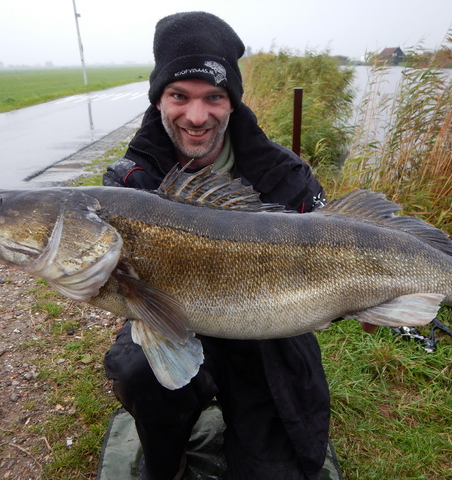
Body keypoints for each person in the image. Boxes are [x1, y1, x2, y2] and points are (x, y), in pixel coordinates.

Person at [103, 11, 334, 480]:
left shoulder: (287, 176)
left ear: (232, 102)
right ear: (159, 99)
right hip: (174, 324)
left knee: (275, 470)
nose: (196, 115)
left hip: (268, 332)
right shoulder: (129, 182)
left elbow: (338, 255)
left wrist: (373, 302)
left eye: (213, 97)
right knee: (139, 371)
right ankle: (168, 450)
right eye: (178, 96)